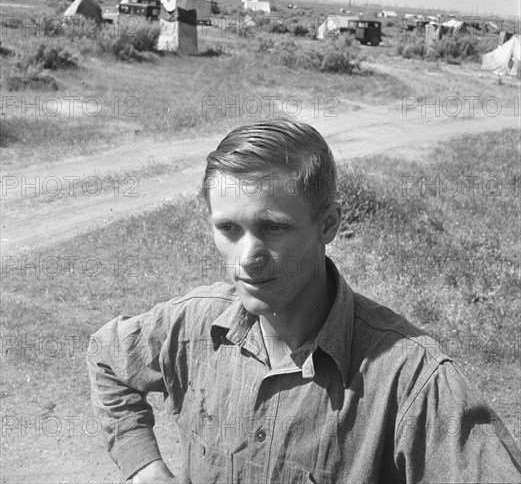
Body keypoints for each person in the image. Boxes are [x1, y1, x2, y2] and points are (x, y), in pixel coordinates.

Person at [87, 119, 521, 483]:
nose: (248, 259)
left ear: (328, 224)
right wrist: (144, 468)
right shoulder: (191, 325)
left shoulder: (412, 382)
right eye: (229, 229)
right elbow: (107, 356)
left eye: (274, 228)